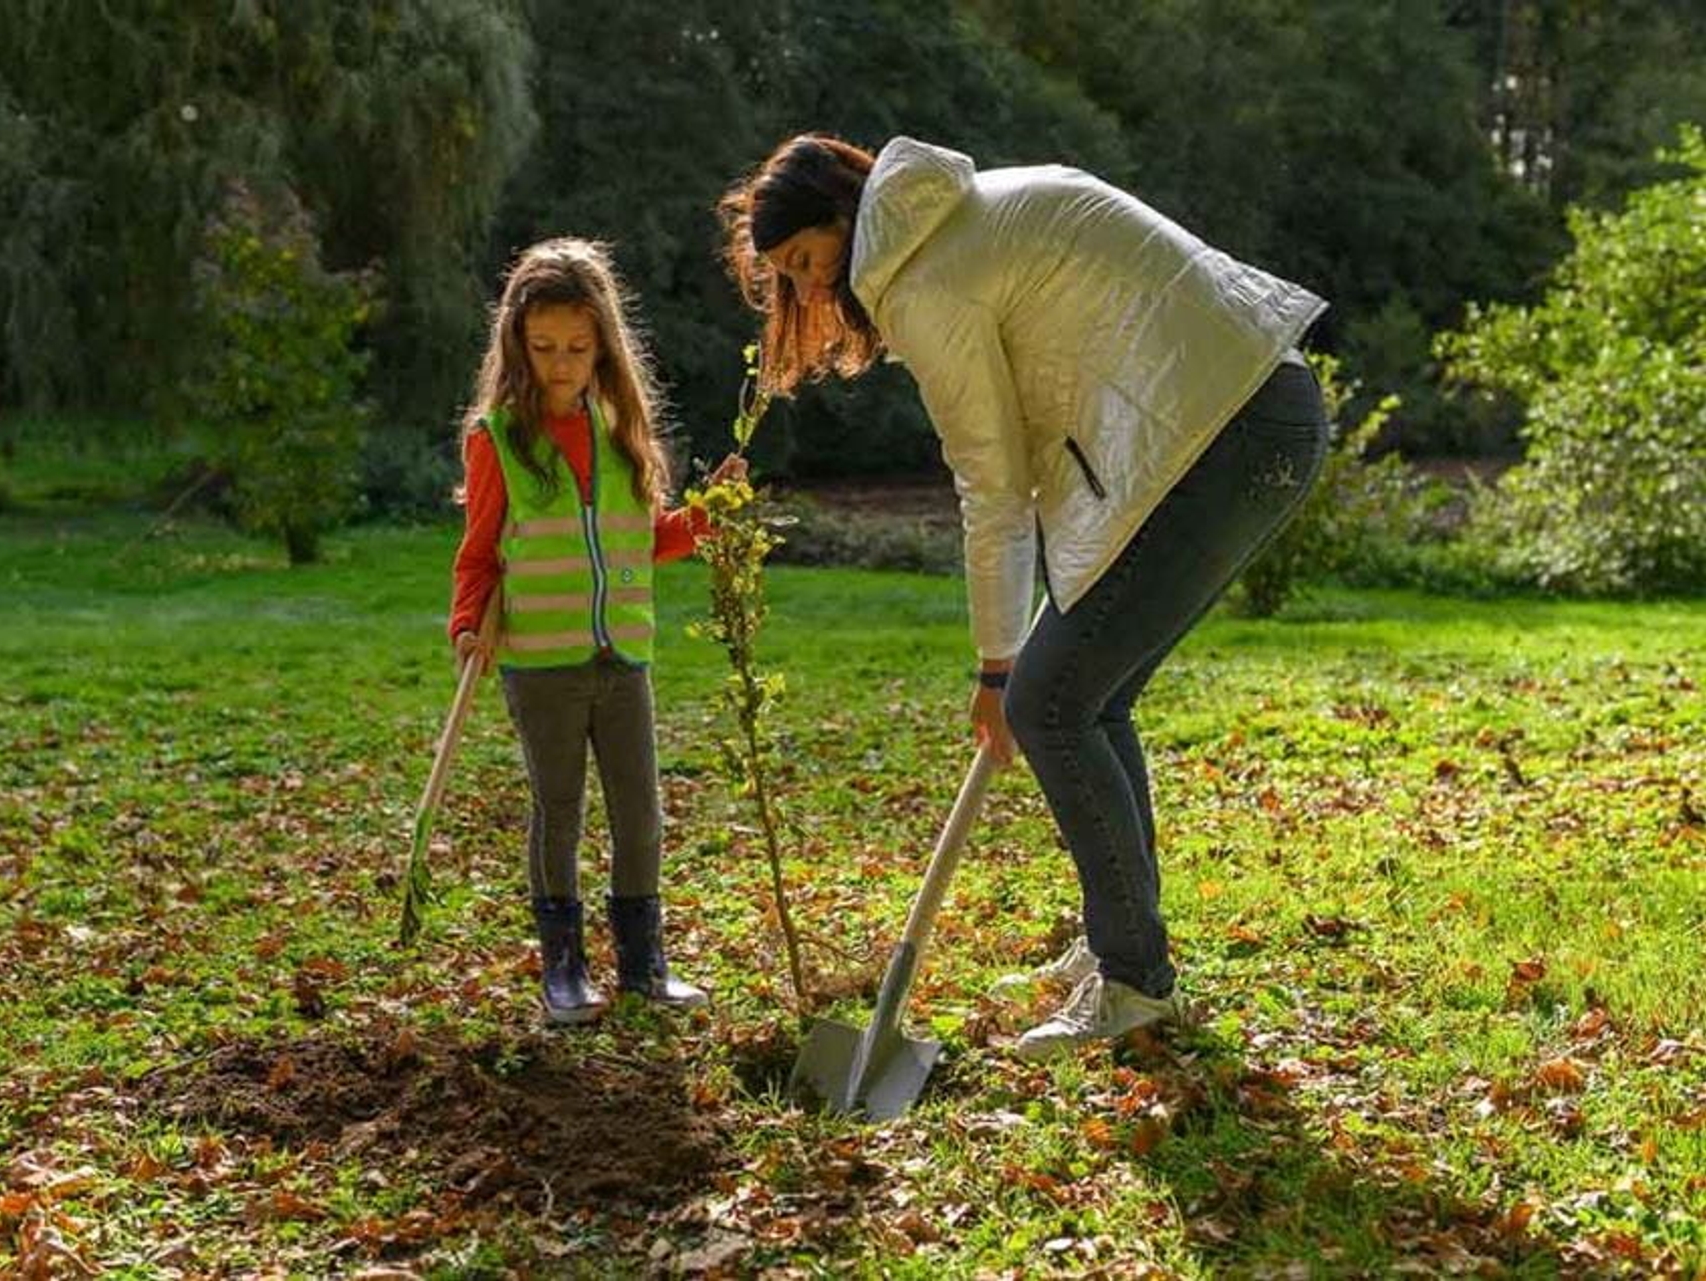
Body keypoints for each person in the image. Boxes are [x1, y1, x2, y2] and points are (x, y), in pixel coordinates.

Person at [717, 135, 1329, 1057]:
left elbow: (991, 481)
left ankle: (1134, 986)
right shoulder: (962, 213)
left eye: (805, 264)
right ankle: (1121, 942)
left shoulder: (924, 277)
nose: (807, 294)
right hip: (1248, 416)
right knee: (1091, 694)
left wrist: (998, 664)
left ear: (845, 217)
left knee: (1048, 700)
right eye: (788, 281)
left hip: (1227, 433)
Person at [450, 237, 743, 1025]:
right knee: (560, 806)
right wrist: (469, 624)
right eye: (543, 348)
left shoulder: (619, 427)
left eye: (578, 348)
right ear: (517, 344)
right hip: (541, 662)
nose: (561, 364)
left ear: (603, 345)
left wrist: (707, 517)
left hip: (624, 654)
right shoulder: (498, 438)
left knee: (639, 809)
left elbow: (643, 537)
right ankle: (564, 967)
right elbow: (478, 552)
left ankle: (645, 964)